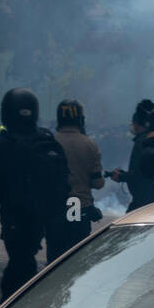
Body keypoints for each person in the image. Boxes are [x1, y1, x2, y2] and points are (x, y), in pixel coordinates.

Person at [0, 88, 70, 302]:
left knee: (19, 268)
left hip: (16, 219)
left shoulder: (2, 144)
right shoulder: (46, 139)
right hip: (44, 219)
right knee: (25, 263)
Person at [50, 99, 104, 260]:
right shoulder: (90, 144)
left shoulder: (50, 142)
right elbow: (98, 183)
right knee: (76, 259)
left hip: (55, 208)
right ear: (80, 119)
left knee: (55, 258)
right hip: (80, 207)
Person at [110, 99, 154, 211]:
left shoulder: (143, 141)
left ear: (137, 123)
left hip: (143, 201)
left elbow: (139, 174)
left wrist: (121, 176)